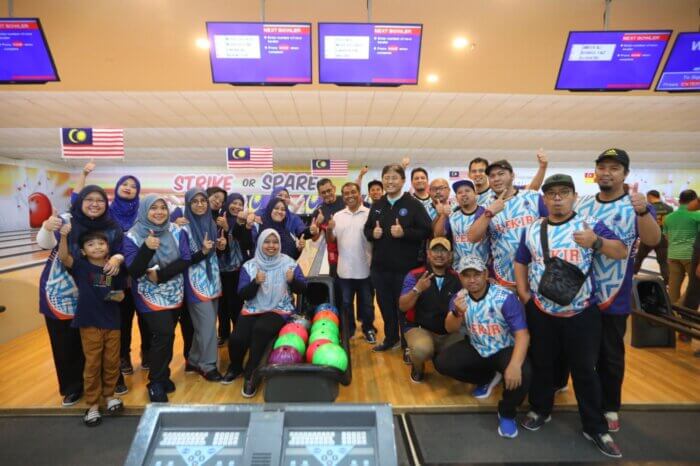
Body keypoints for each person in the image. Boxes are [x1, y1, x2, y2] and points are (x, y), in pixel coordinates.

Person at [515, 173, 627, 458]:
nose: (557, 199)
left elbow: (621, 251)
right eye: (551, 194)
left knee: (585, 370)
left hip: (582, 313)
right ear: (544, 199)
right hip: (542, 311)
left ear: (574, 197)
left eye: (563, 193)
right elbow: (521, 260)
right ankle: (540, 409)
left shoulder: (590, 225)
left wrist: (596, 241)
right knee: (543, 365)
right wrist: (525, 293)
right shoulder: (533, 228)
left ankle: (594, 426)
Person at [576, 149, 662, 432]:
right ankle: (588, 404)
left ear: (625, 174)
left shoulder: (636, 205)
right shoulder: (584, 203)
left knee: (610, 355)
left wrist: (642, 211)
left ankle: (610, 406)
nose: (606, 173)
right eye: (602, 167)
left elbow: (652, 239)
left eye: (614, 168)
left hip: (615, 294)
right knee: (584, 355)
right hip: (582, 293)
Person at [36, 185, 125, 406]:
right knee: (65, 341)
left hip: (95, 286)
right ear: (80, 201)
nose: (95, 204)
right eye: (89, 199)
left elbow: (119, 251)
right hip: (63, 289)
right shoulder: (66, 219)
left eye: (100, 200)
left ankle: (109, 388)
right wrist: (47, 227)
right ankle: (73, 387)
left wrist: (118, 258)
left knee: (103, 345)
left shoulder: (112, 225)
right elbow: (46, 244)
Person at [435, 255, 531, 438]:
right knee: (442, 362)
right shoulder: (459, 298)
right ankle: (487, 377)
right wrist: (457, 313)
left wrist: (514, 365)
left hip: (504, 348)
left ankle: (507, 412)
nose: (472, 280)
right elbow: (449, 328)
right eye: (466, 275)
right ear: (460, 277)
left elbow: (522, 334)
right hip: (477, 346)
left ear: (486, 274)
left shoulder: (504, 297)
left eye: (477, 274)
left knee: (523, 373)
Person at [124, 195, 194, 403]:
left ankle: (163, 376)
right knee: (163, 334)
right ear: (144, 210)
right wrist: (147, 248)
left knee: (167, 335)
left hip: (174, 291)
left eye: (163, 207)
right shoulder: (133, 235)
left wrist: (162, 275)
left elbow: (186, 258)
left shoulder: (176, 230)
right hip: (149, 294)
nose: (159, 212)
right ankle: (155, 382)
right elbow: (134, 270)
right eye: (153, 208)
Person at [222, 229, 307, 396]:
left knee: (260, 330)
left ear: (279, 244)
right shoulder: (249, 266)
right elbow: (243, 293)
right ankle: (236, 367)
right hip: (253, 308)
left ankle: (252, 373)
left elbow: (303, 288)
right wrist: (255, 283)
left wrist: (292, 281)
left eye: (275, 242)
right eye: (267, 242)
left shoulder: (289, 263)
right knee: (237, 338)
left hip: (279, 308)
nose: (271, 246)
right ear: (260, 243)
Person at [57, 224, 126, 426]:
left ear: (108, 247)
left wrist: (116, 295)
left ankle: (110, 395)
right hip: (89, 323)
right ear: (82, 251)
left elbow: (120, 293)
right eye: (91, 244)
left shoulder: (113, 268)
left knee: (112, 362)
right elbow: (63, 257)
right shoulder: (80, 266)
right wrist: (63, 236)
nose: (97, 247)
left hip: (112, 322)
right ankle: (93, 405)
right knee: (93, 363)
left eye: (101, 243)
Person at [364, 164, 432, 354]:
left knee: (405, 308)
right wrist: (372, 233)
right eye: (387, 178)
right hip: (380, 269)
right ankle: (391, 338)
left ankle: (407, 343)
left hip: (406, 269)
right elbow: (367, 229)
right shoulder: (377, 205)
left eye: (394, 178)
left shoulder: (413, 204)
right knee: (385, 306)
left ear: (402, 181)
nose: (390, 181)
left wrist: (405, 233)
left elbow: (427, 230)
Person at [468, 160, 548, 287]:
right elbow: (472, 237)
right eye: (492, 176)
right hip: (504, 278)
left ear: (512, 175)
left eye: (501, 174)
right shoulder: (485, 207)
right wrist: (489, 213)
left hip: (537, 274)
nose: (496, 179)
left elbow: (552, 227)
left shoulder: (533, 197)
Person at [399, 238, 463, 382]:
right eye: (435, 250)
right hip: (419, 328)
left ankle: (438, 355)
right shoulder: (414, 275)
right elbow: (403, 306)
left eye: (444, 251)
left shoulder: (457, 278)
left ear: (450, 255)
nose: (439, 254)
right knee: (422, 350)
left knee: (463, 349)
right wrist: (417, 289)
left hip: (446, 332)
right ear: (428, 253)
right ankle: (418, 367)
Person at [181, 188, 227, 382]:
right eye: (195, 201)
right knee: (208, 325)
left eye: (203, 201)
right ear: (188, 204)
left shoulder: (211, 224)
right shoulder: (183, 228)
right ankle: (208, 365)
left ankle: (193, 360)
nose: (200, 204)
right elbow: (183, 260)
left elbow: (214, 254)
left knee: (205, 325)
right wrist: (202, 252)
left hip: (213, 280)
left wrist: (221, 247)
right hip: (195, 282)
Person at [327, 182, 376, 343]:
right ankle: (349, 329)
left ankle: (368, 328)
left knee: (367, 304)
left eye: (353, 192)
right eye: (346, 193)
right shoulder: (338, 216)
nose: (350, 196)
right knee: (346, 303)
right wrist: (329, 229)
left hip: (365, 268)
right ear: (343, 197)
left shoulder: (369, 214)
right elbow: (331, 239)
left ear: (359, 194)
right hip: (344, 269)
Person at [217, 193, 255, 345]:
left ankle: (238, 334)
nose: (237, 207)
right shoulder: (219, 219)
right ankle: (223, 333)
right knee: (222, 304)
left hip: (237, 269)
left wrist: (238, 227)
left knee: (236, 304)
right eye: (234, 203)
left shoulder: (245, 222)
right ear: (227, 204)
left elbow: (247, 244)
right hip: (219, 269)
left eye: (240, 204)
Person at [434, 179, 489, 265]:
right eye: (459, 192)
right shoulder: (452, 216)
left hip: (482, 267)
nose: (463, 194)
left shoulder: (485, 213)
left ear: (475, 194)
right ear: (456, 198)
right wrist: (443, 216)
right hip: (459, 267)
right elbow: (438, 235)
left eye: (467, 191)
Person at [468, 150, 549, 206]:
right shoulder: (466, 196)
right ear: (469, 174)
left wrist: (542, 167)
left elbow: (532, 188)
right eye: (474, 171)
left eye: (481, 171)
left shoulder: (500, 189)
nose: (477, 174)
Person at [663, 190, 700, 305]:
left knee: (673, 286)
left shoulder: (668, 217)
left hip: (673, 254)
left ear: (679, 200)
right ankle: (679, 306)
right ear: (694, 200)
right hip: (690, 255)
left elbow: (667, 237)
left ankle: (672, 310)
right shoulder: (697, 215)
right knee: (695, 285)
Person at [632, 190, 673, 283]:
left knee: (639, 259)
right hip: (663, 238)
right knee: (663, 262)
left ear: (650, 196)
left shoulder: (649, 208)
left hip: (648, 237)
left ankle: (632, 275)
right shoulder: (669, 208)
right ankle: (667, 282)